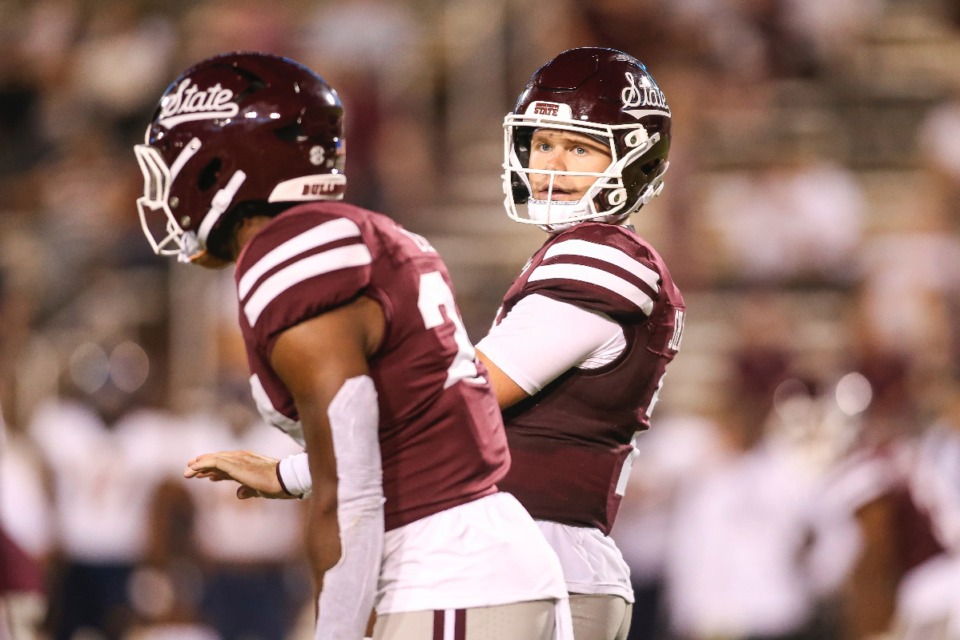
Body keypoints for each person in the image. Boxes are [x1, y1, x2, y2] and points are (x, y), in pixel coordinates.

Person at [133, 52, 571, 640]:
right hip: (486, 563)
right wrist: (293, 473)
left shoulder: (290, 259)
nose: (169, 188)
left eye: (177, 161)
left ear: (221, 165)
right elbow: (405, 423)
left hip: (439, 576)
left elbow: (354, 492)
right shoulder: (367, 233)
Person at [474, 47, 684, 640]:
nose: (551, 165)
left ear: (635, 163)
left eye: (581, 147)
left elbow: (465, 396)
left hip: (534, 556)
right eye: (543, 144)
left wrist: (301, 469)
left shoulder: (599, 254)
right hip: (540, 554)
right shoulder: (591, 252)